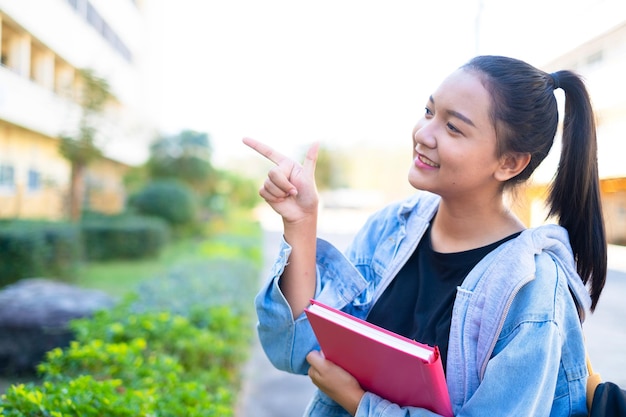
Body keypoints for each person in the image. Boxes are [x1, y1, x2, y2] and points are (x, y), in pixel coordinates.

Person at [242, 54, 607, 417]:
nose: (423, 133)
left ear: (510, 163)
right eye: (430, 112)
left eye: (454, 128)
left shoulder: (532, 288)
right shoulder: (391, 228)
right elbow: (294, 347)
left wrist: (359, 403)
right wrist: (302, 223)